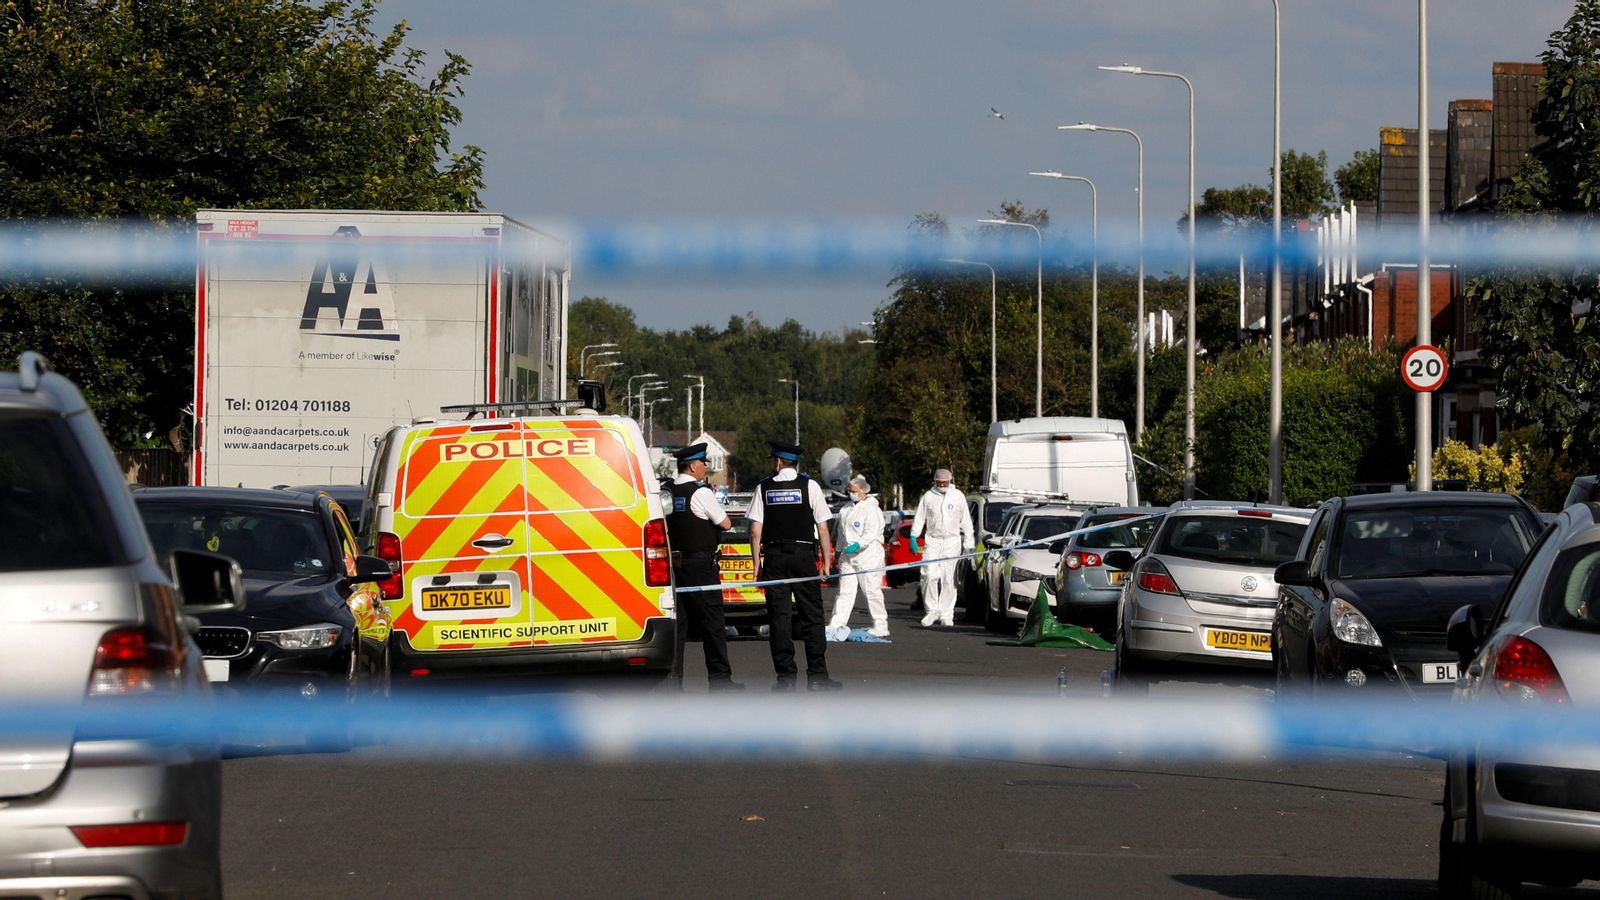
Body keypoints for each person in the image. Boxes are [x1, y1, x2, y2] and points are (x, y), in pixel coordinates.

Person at [747, 440, 842, 691]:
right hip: (803, 557)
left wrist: (758, 564)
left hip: (775, 559)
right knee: (812, 617)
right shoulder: (809, 486)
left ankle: (786, 679)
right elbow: (823, 527)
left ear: (778, 462)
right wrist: (826, 563)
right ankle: (818, 677)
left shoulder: (763, 488)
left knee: (779, 619)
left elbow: (755, 531)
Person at [665, 443, 743, 692]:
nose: (706, 467)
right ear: (692, 466)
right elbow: (726, 523)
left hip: (673, 566)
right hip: (700, 565)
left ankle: (673, 681)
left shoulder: (665, 490)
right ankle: (720, 679)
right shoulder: (700, 492)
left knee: (679, 625)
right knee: (712, 623)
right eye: (703, 463)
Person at [910, 467, 974, 627]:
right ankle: (931, 611)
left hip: (952, 541)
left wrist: (969, 543)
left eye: (944, 482)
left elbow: (966, 521)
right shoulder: (928, 496)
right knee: (929, 574)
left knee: (948, 578)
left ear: (950, 481)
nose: (942, 485)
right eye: (939, 482)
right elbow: (920, 517)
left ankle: (946, 613)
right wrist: (913, 535)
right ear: (934, 482)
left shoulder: (958, 496)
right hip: (933, 540)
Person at [828, 475, 889, 637]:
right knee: (845, 591)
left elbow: (871, 533)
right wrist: (838, 553)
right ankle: (837, 623)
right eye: (849, 490)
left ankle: (881, 625)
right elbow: (841, 534)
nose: (850, 493)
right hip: (848, 557)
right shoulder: (846, 509)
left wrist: (858, 545)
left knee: (871, 591)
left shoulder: (871, 509)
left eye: (853, 490)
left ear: (863, 491)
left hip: (868, 556)